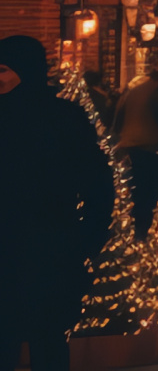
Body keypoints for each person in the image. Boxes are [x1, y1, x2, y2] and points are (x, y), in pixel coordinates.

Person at [0, 35, 114, 371]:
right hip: (25, 251)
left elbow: (97, 184)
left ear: (26, 70)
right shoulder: (60, 115)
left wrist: (86, 241)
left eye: (4, 70)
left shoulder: (62, 118)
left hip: (47, 250)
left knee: (45, 339)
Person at [111, 62, 158, 237]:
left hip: (128, 146)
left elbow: (117, 117)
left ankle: (133, 229)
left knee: (134, 191)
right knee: (150, 192)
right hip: (151, 148)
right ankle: (144, 231)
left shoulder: (136, 90)